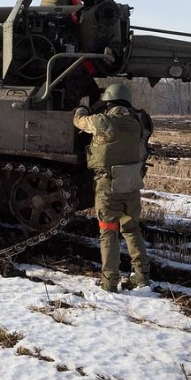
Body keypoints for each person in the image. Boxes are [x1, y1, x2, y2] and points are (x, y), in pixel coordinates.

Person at [73, 83, 153, 293]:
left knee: (108, 232)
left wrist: (82, 109)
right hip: (132, 183)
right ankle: (142, 276)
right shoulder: (139, 121)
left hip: (109, 184)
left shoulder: (103, 121)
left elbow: (78, 121)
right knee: (132, 229)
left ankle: (110, 282)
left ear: (108, 103)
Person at [61, 0, 122, 107]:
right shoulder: (87, 9)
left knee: (74, 77)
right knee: (72, 75)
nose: (81, 0)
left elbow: (104, 34)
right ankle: (94, 108)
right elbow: (71, 20)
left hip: (103, 55)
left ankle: (68, 114)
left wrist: (86, 52)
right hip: (91, 55)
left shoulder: (106, 7)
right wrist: (50, 20)